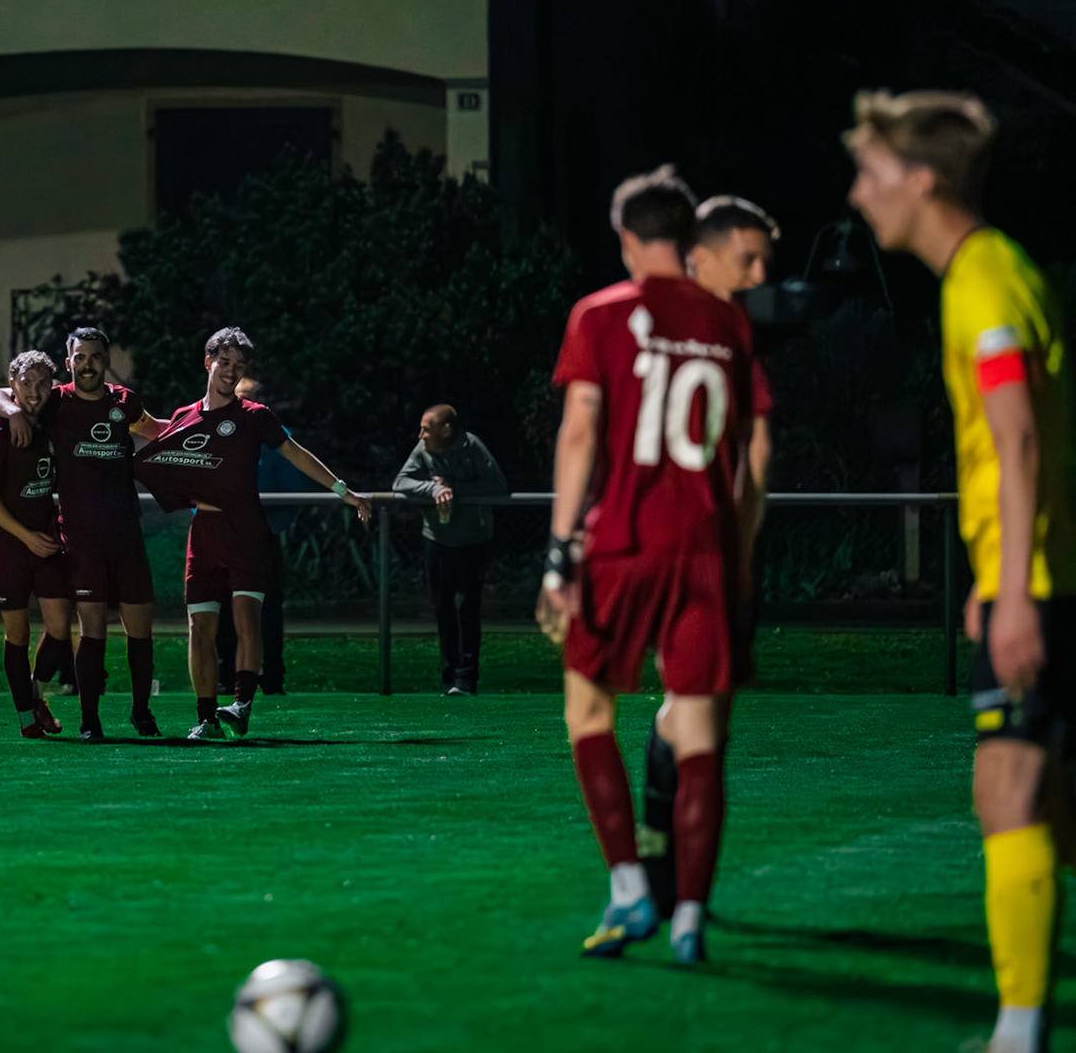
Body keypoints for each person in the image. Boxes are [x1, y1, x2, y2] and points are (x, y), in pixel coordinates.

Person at [846, 90, 1075, 1053]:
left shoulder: (980, 280)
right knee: (1050, 800)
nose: (857, 195)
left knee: (1008, 790)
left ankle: (1018, 1034)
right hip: (1045, 576)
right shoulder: (994, 271)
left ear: (923, 180)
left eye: (871, 173)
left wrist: (1013, 587)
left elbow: (1016, 438)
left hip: (1044, 588)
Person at [537, 165, 756, 964]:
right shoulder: (729, 323)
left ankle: (630, 889)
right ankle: (690, 916)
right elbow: (740, 457)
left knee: (589, 714)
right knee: (698, 737)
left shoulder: (600, 314)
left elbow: (581, 430)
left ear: (627, 238)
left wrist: (560, 551)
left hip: (624, 544)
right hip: (703, 548)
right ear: (689, 236)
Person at [638, 194, 780, 915]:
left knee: (709, 722)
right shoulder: (683, 329)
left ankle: (677, 881)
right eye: (747, 259)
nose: (759, 275)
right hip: (685, 553)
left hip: (710, 553)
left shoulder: (724, 330)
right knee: (695, 717)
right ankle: (663, 875)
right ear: (703, 255)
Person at [133, 327, 372, 742]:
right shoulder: (184, 415)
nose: (231, 371)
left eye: (238, 365)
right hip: (204, 534)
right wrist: (116, 415)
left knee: (247, 619)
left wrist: (343, 491)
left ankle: (242, 704)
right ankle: (206, 720)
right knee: (199, 628)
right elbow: (156, 442)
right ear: (208, 362)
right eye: (224, 362)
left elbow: (296, 453)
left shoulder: (255, 416)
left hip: (246, 531)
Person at [0, 326, 166, 737]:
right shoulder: (54, 402)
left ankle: (141, 712)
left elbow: (156, 430)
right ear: (69, 362)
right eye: (80, 357)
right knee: (88, 630)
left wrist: (205, 428)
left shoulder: (123, 402)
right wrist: (12, 413)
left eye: (95, 357)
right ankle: (86, 720)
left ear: (106, 360)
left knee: (135, 630)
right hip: (76, 539)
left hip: (124, 534)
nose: (87, 365)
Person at [0, 351, 75, 739]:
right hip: (9, 544)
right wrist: (27, 537)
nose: (34, 392)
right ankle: (25, 717)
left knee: (60, 627)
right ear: (12, 384)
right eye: (26, 383)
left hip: (45, 539)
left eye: (42, 384)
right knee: (17, 633)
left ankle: (34, 696)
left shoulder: (53, 423)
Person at [393, 404, 509, 696]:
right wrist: (433, 489)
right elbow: (400, 482)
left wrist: (454, 488)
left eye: (426, 429)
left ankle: (466, 678)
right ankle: (450, 677)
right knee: (442, 607)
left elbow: (498, 485)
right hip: (436, 538)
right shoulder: (423, 450)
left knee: (467, 606)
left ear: (446, 430)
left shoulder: (472, 447)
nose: (420, 435)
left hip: (473, 539)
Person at [216, 375, 312, 696]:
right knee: (225, 608)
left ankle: (272, 678)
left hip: (263, 535)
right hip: (224, 535)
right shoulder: (217, 430)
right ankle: (227, 677)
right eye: (235, 396)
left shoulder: (275, 436)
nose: (238, 402)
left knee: (268, 607)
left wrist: (268, 523)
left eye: (245, 396)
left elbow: (294, 485)